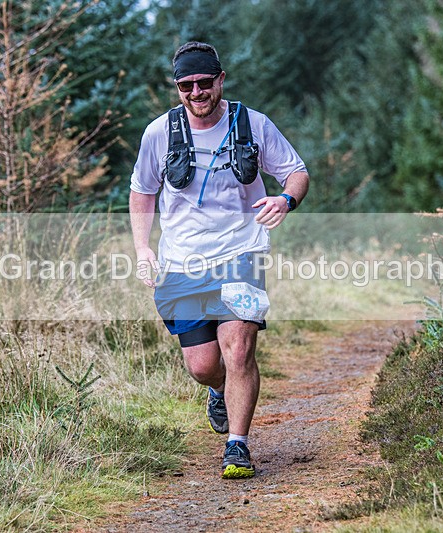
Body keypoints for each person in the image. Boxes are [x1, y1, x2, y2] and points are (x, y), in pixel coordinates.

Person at [129, 41, 309, 479]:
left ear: (220, 80)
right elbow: (142, 191)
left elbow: (296, 172)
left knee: (239, 349)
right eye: (186, 85)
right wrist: (143, 247)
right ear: (177, 87)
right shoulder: (160, 133)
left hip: (241, 254)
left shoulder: (252, 124)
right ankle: (218, 391)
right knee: (205, 365)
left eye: (204, 83)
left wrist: (286, 199)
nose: (196, 92)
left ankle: (238, 446)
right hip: (182, 262)